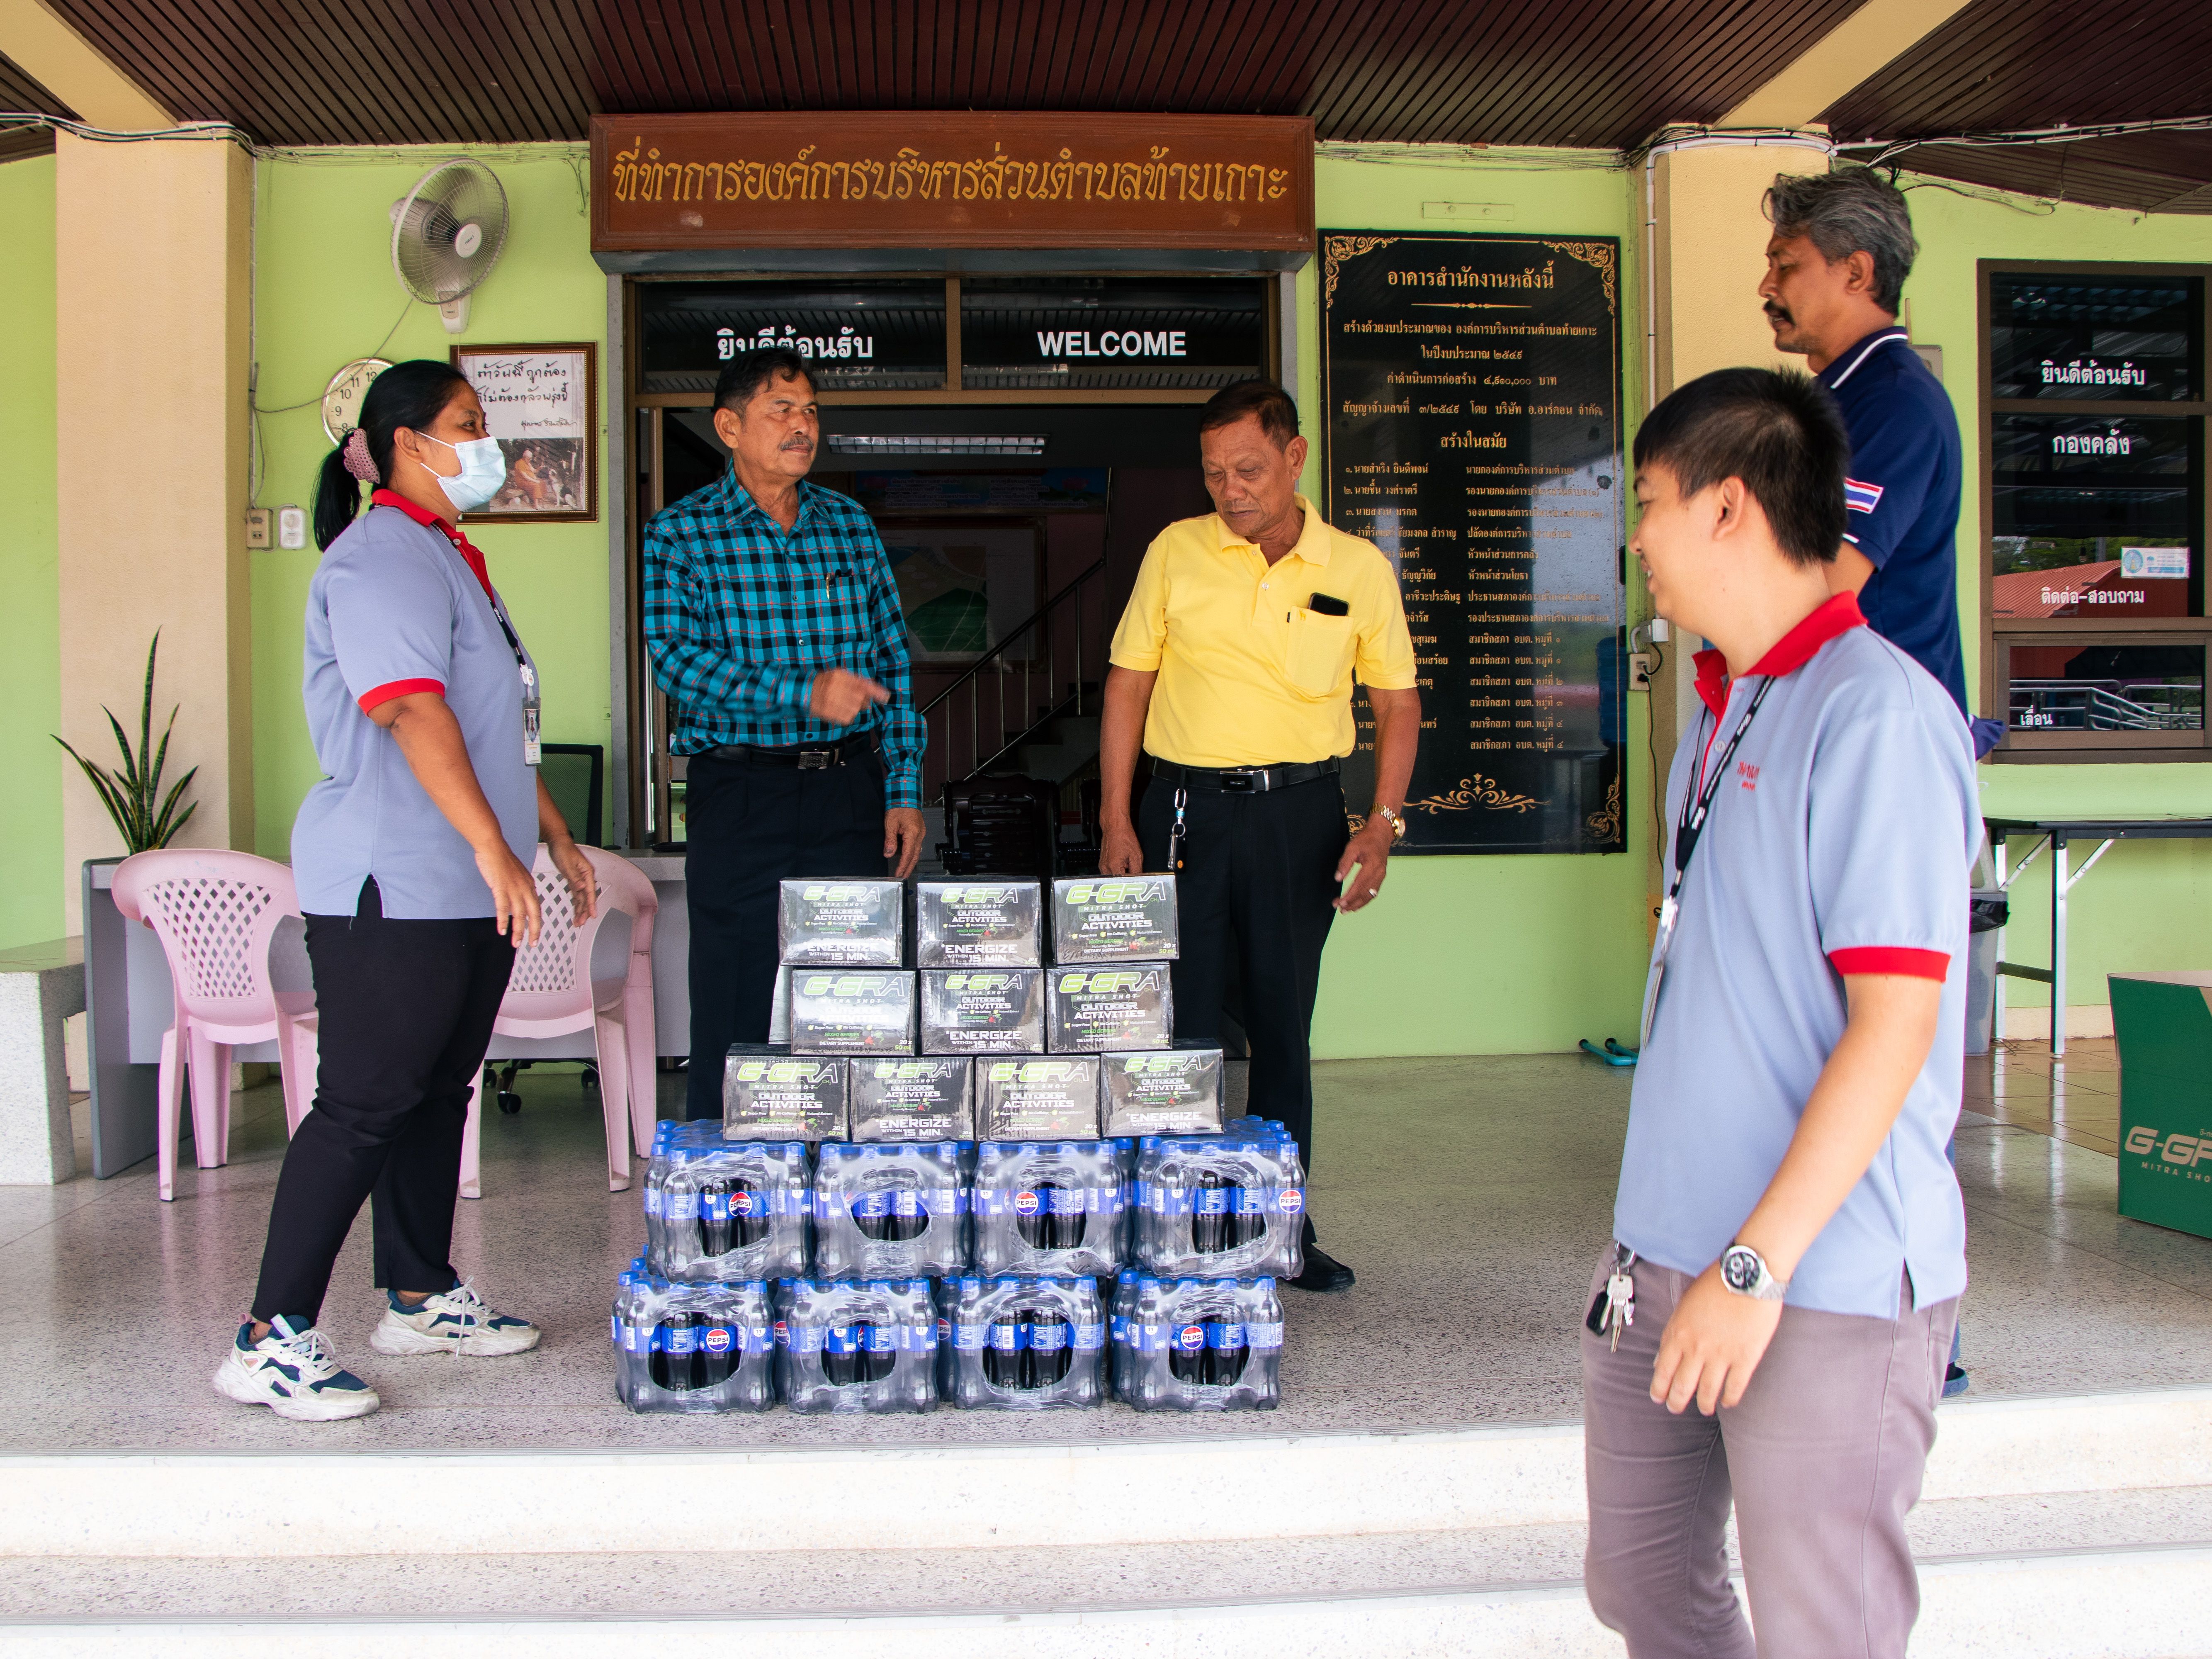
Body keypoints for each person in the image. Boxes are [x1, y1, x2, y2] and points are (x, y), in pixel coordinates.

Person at [1582, 367, 1975, 1656]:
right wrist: (1662, 1252)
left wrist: (1750, 1268)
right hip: (1663, 1258)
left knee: (1825, 1630)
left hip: (1815, 1277)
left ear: (1728, 509)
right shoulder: (1723, 699)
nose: (1634, 537)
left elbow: (1891, 1029)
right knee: (1640, 1586)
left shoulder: (1877, 719)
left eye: (1646, 503)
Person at [214, 360, 598, 1423]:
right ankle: (266, 1335)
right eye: (468, 426)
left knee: (438, 1091)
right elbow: (412, 711)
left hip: (466, 882)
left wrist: (551, 835)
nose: (490, 447)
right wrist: (494, 849)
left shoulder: (453, 557)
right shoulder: (379, 558)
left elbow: (496, 727)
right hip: (395, 877)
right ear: (402, 445)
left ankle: (419, 1292)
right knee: (366, 1102)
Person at [1098, 379, 1420, 1294]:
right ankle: (1178, 1226)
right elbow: (1128, 683)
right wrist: (1119, 815)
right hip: (1186, 810)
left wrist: (1383, 823)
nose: (1230, 488)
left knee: (1282, 1023)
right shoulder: (1175, 551)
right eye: (1213, 473)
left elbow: (1398, 706)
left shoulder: (1357, 567)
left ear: (1295, 457)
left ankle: (1280, 1230)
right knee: (1183, 1026)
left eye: (1247, 468)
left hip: (1300, 814)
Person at [644, 347, 925, 1121]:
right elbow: (676, 663)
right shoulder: (680, 534)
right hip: (739, 790)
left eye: (810, 411)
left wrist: (901, 788)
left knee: (852, 991)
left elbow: (893, 660)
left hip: (848, 786)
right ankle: (725, 1191)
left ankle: (850, 1183)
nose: (803, 427)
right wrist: (804, 693)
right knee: (733, 991)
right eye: (782, 410)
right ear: (730, 426)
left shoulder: (849, 525)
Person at [1758, 165, 2003, 758]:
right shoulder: (1834, 397)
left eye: (1786, 265)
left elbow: (1821, 586)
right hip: (1836, 720)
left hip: (1889, 742)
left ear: (1857, 272)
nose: (1765, 287)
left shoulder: (1891, 401)